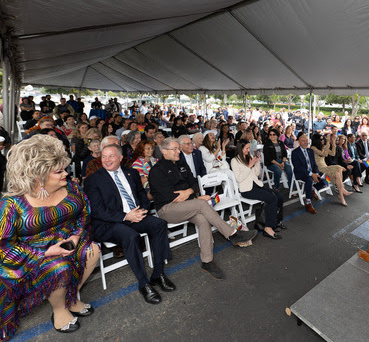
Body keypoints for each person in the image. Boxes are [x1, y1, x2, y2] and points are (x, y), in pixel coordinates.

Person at [0, 135, 100, 338]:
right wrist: (45, 252)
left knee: (93, 250)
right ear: (39, 175)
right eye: (59, 171)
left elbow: (84, 213)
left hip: (69, 240)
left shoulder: (71, 187)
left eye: (64, 168)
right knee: (58, 267)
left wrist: (76, 236)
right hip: (30, 254)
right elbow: (5, 245)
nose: (66, 173)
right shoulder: (12, 205)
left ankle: (70, 298)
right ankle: (60, 310)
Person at [148, 138, 257, 280]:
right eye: (174, 149)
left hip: (187, 204)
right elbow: (170, 196)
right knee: (201, 204)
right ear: (164, 151)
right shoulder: (157, 171)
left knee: (203, 219)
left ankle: (207, 261)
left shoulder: (181, 163)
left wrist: (188, 192)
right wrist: (194, 198)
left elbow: (194, 183)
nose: (178, 151)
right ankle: (232, 234)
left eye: (178, 148)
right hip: (167, 209)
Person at [84, 144, 174, 305]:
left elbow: (142, 195)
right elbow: (98, 211)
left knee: (159, 224)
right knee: (131, 236)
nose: (106, 160)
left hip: (135, 215)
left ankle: (158, 274)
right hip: (109, 223)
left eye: (111, 156)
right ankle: (143, 283)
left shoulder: (131, 173)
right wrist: (126, 216)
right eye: (104, 156)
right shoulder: (93, 180)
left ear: (120, 158)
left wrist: (142, 211)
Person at [231, 140, 285, 239]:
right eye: (246, 148)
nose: (248, 150)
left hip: (256, 184)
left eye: (249, 148)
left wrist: (257, 162)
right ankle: (268, 228)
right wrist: (249, 166)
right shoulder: (235, 161)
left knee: (279, 196)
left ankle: (277, 222)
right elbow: (239, 178)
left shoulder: (249, 157)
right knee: (271, 198)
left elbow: (256, 174)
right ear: (240, 149)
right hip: (246, 189)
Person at [310, 132, 352, 206]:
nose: (323, 141)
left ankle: (341, 196)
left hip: (325, 167)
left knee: (338, 172)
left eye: (323, 139)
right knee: (339, 168)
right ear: (316, 140)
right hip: (319, 169)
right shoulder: (313, 148)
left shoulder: (322, 147)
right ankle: (342, 191)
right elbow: (324, 154)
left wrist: (333, 144)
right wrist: (328, 142)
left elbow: (333, 153)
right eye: (321, 139)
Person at [291, 132, 323, 214]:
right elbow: (298, 168)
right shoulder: (295, 152)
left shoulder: (310, 151)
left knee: (325, 176)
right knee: (309, 180)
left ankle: (314, 189)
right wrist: (311, 174)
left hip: (312, 172)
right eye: (303, 141)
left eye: (306, 140)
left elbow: (314, 164)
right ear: (299, 142)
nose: (305, 142)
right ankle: (308, 202)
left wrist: (316, 173)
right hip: (301, 173)